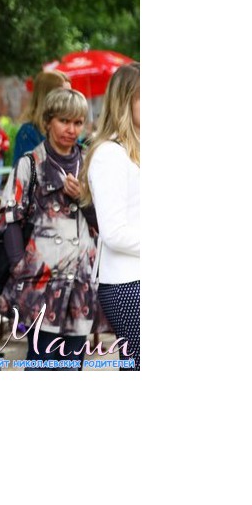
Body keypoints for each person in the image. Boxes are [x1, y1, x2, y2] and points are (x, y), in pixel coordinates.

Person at [0, 88, 101, 370]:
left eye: (78, 122)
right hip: (41, 283)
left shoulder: (90, 163)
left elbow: (105, 221)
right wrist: (19, 265)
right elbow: (10, 219)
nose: (71, 129)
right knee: (42, 361)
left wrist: (83, 199)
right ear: (48, 121)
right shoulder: (30, 163)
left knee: (72, 363)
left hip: (81, 282)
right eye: (64, 121)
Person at [80, 63, 140, 370]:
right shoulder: (109, 154)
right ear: (125, 101)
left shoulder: (136, 151)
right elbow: (114, 232)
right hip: (128, 284)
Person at [12, 70, 70, 164]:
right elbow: (26, 170)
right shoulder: (29, 132)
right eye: (64, 95)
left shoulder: (70, 129)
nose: (71, 99)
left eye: (71, 94)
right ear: (47, 97)